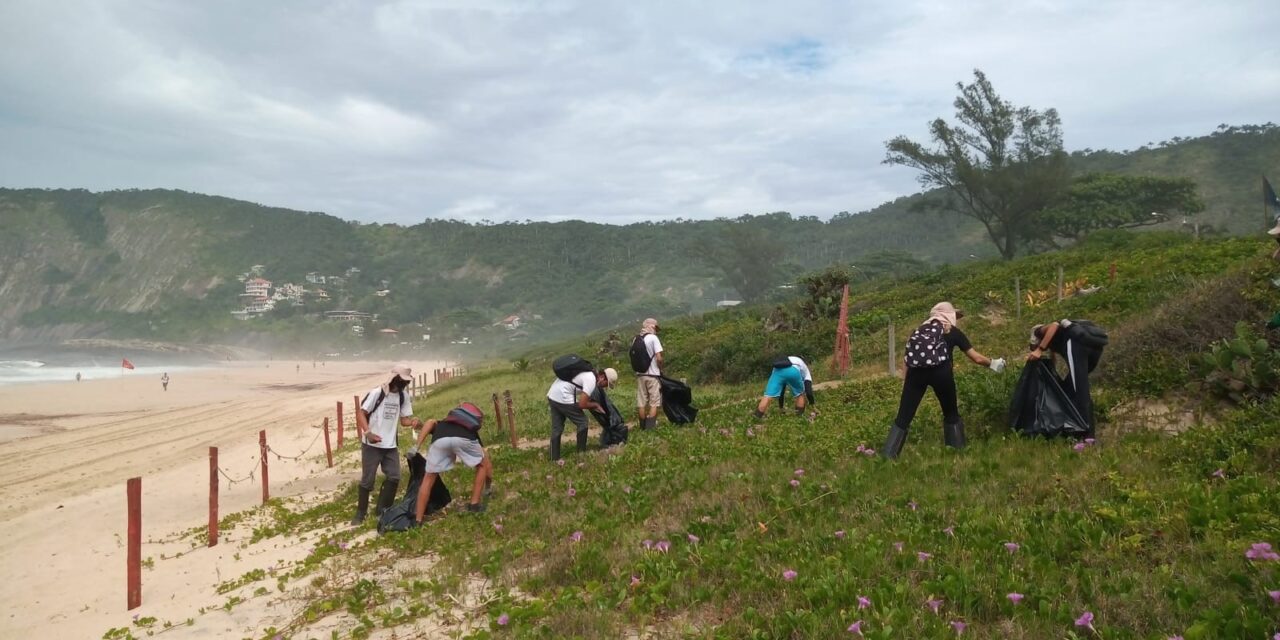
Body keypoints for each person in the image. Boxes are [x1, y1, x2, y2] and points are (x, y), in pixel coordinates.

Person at [882, 302, 1005, 458]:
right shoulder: (953, 332)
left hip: (916, 374)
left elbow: (908, 359)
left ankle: (888, 457)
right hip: (942, 373)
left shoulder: (919, 331)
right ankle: (957, 452)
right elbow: (977, 358)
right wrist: (994, 363)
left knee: (903, 417)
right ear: (950, 315)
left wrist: (906, 381)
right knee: (951, 413)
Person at [351, 364, 423, 525]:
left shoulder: (403, 397)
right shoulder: (377, 393)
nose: (403, 385)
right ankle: (360, 514)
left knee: (394, 476)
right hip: (371, 445)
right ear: (393, 379)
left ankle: (382, 510)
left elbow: (404, 420)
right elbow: (361, 413)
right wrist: (368, 433)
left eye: (405, 382)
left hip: (390, 445)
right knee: (367, 480)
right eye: (401, 381)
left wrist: (413, 422)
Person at [408, 402, 492, 520]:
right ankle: (474, 504)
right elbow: (487, 464)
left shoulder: (443, 423)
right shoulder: (470, 429)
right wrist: (488, 486)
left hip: (440, 439)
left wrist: (416, 447)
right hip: (464, 438)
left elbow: (430, 422)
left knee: (428, 478)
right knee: (482, 465)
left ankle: (418, 519)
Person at [1026, 320, 1105, 438]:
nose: (1034, 348)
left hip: (1077, 344)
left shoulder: (1038, 331)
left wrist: (1039, 350)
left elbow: (1054, 325)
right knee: (1070, 386)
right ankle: (1076, 425)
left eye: (1034, 346)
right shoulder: (1054, 341)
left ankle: (1088, 437)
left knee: (1080, 391)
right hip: (1095, 346)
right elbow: (1053, 360)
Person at [547, 367, 617, 461]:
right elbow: (582, 404)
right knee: (582, 422)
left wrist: (592, 404)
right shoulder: (591, 380)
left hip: (553, 394)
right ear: (603, 377)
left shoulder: (588, 372)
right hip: (563, 395)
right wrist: (595, 405)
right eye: (606, 384)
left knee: (557, 427)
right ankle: (581, 455)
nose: (605, 387)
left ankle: (553, 458)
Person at [631, 318, 665, 430]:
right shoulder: (654, 338)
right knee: (654, 402)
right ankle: (650, 428)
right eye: (655, 327)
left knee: (641, 402)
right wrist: (660, 368)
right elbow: (659, 358)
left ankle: (642, 427)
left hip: (640, 375)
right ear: (651, 326)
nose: (656, 330)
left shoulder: (635, 339)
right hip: (653, 375)